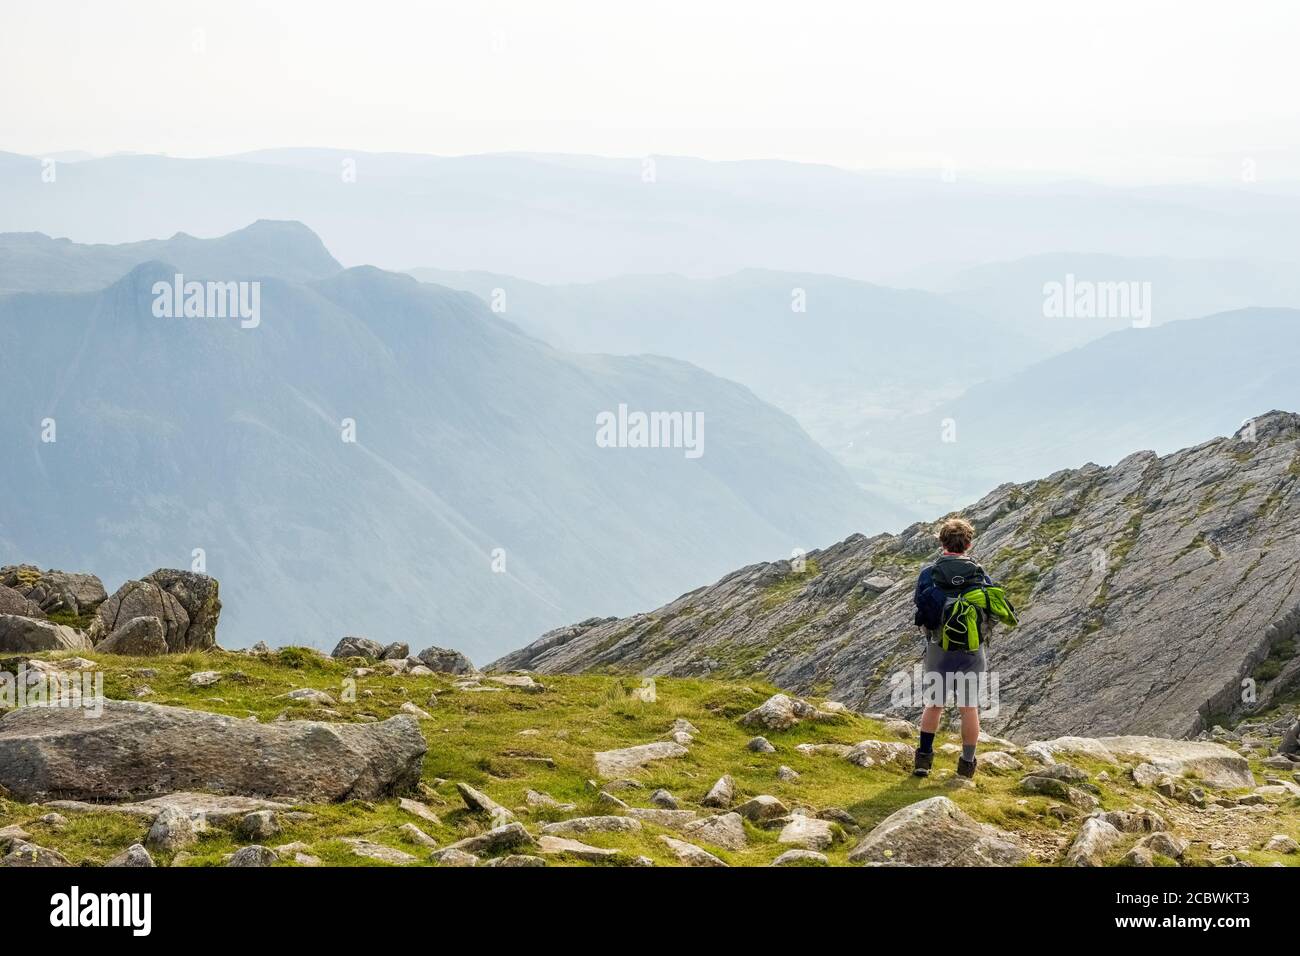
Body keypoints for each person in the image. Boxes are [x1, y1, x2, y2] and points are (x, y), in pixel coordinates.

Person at [911, 516, 991, 779]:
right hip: (971, 648)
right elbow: (991, 608)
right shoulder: (979, 573)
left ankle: (923, 761)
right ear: (968, 543)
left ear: (942, 541)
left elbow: (920, 606)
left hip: (938, 646)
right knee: (969, 708)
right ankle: (966, 766)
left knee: (934, 705)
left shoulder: (929, 573)